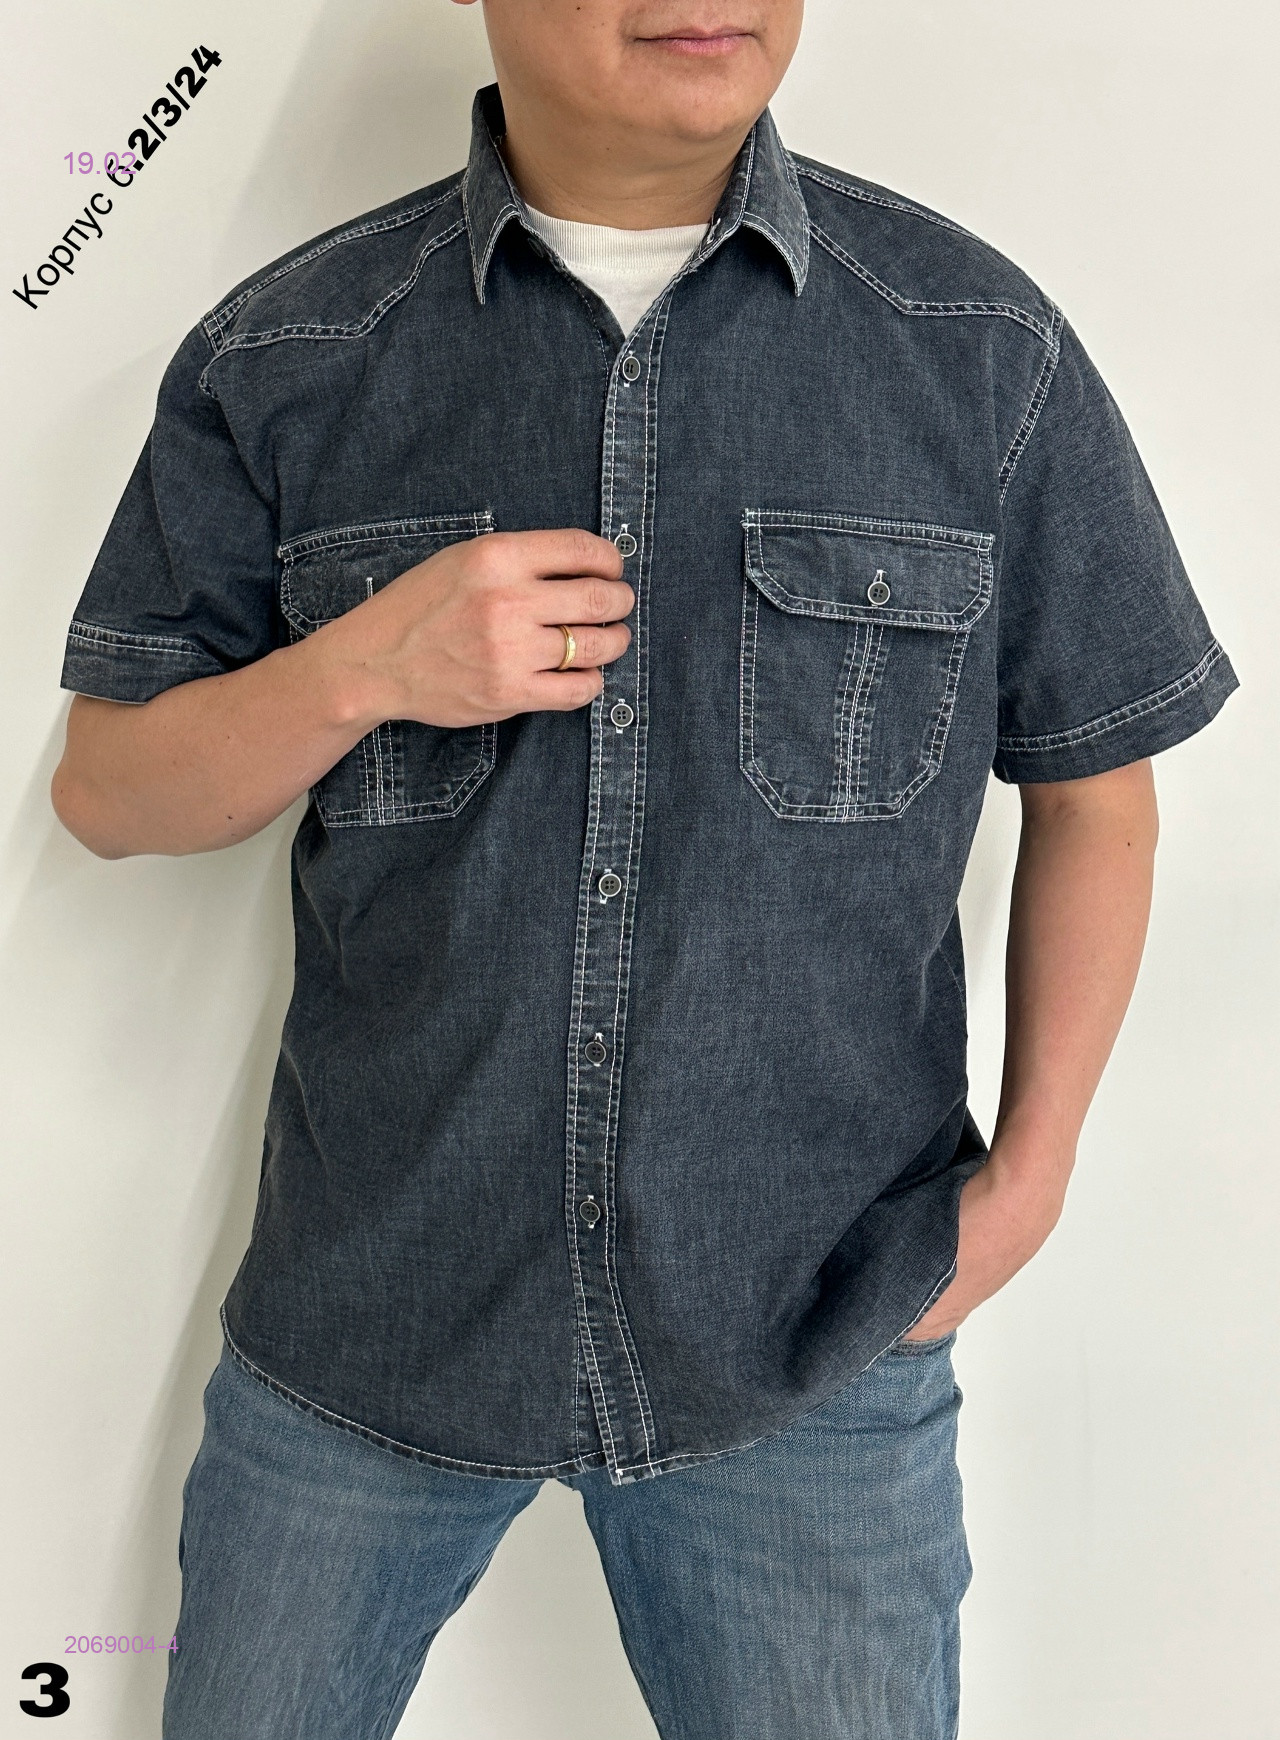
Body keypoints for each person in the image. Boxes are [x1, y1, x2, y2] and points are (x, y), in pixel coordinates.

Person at [50, 2, 1237, 1735]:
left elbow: (1098, 792)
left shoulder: (976, 344)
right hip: (367, 1316)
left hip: (814, 1336)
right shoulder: (290, 350)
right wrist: (365, 666)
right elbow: (109, 790)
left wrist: (1033, 1182)